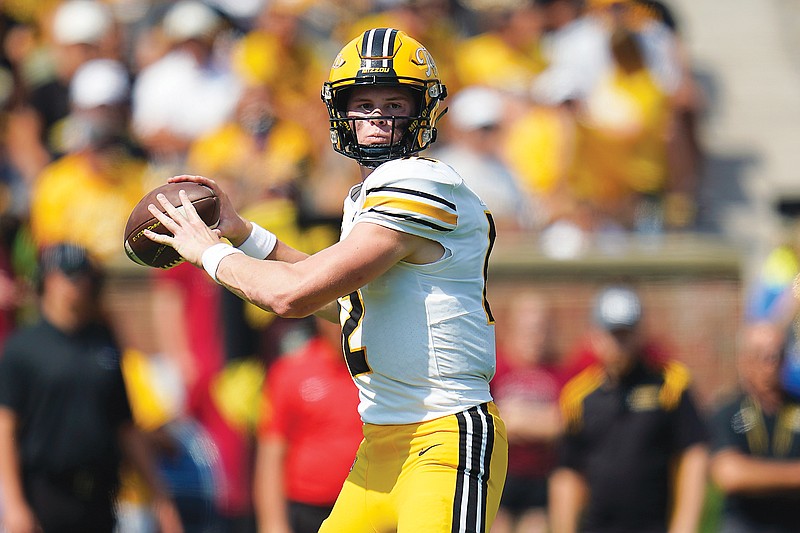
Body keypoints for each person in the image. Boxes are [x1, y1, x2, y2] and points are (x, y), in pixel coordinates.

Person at [142, 27, 509, 533]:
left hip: (444, 437)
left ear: (422, 110)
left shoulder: (423, 183)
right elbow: (336, 291)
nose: (378, 115)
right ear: (341, 110)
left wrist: (209, 252)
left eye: (394, 102)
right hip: (381, 441)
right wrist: (242, 232)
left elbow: (290, 294)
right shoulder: (369, 195)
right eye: (364, 102)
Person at [0, 243, 182, 533]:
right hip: (45, 494)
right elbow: (5, 429)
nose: (79, 284)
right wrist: (14, 505)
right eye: (70, 276)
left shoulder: (103, 341)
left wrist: (161, 498)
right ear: (48, 280)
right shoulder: (22, 348)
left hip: (100, 494)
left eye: (85, 276)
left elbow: (124, 424)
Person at [549, 285, 708, 533]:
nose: (620, 342)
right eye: (613, 333)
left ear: (640, 333)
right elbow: (567, 473)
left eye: (627, 332)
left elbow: (693, 456)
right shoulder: (578, 396)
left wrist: (684, 526)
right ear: (595, 335)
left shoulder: (670, 384)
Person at [253, 317, 363, 533]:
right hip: (309, 512)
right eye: (337, 317)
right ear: (321, 319)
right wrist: (272, 524)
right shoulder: (291, 371)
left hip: (371, 505)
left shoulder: (381, 372)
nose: (343, 326)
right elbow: (270, 455)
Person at [708, 321, 800, 533]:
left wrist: (758, 474)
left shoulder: (795, 408)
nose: (771, 364)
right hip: (745, 523)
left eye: (777, 355)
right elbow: (729, 474)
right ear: (744, 360)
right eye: (762, 355)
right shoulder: (727, 412)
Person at [490, 292, 565, 533]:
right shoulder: (494, 367)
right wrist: (539, 421)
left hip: (540, 479)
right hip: (497, 475)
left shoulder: (558, 372)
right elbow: (484, 419)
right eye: (529, 329)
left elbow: (563, 423)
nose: (536, 337)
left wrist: (516, 419)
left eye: (542, 329)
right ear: (511, 327)